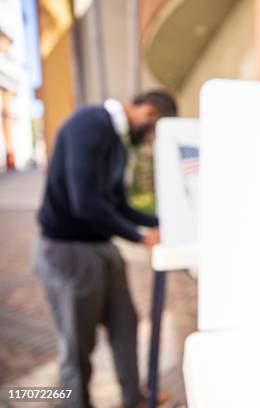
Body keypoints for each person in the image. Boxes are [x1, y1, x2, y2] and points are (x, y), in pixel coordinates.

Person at [34, 90, 178, 408]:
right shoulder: (90, 124)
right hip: (70, 250)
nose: (151, 139)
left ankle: (134, 398)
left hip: (102, 246)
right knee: (77, 345)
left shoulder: (116, 138)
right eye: (155, 132)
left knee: (126, 324)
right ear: (151, 113)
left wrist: (164, 222)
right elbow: (85, 204)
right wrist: (139, 237)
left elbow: (117, 204)